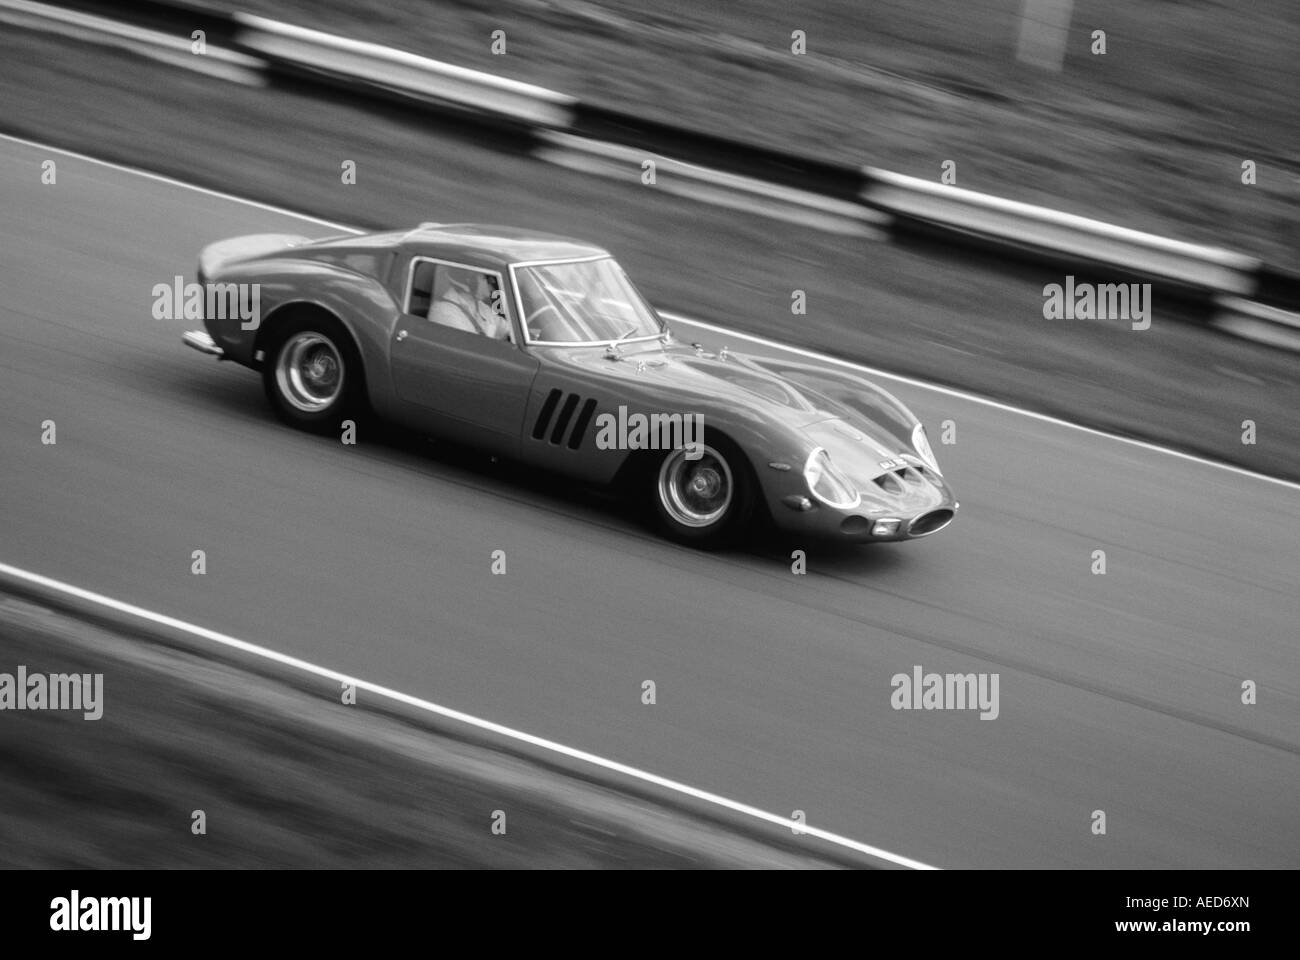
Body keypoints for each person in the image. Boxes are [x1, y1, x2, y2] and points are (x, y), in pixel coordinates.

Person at [429, 268, 511, 340]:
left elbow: (505, 328)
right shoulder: (444, 312)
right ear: (469, 281)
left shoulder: (480, 305)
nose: (491, 287)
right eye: (486, 280)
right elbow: (473, 347)